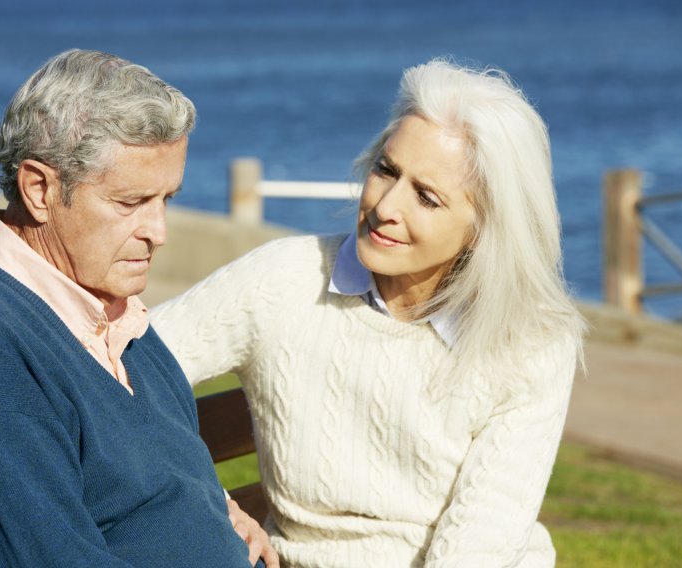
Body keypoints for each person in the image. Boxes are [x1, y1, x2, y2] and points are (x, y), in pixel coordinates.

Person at [151, 58, 585, 567]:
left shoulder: (531, 343)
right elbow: (113, 370)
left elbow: (478, 552)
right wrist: (214, 506)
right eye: (386, 170)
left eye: (426, 197)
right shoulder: (285, 279)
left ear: (483, 229)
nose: (385, 207)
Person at [0, 49, 277, 567]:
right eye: (130, 203)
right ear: (39, 189)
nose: (159, 233)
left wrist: (220, 510)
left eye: (166, 200)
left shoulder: (108, 309)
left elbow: (144, 479)